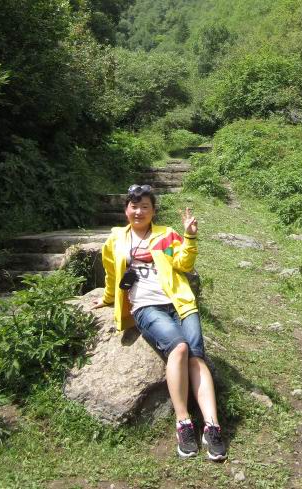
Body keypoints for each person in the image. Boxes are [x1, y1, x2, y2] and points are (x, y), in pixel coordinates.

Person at [91, 184, 227, 461]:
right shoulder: (116, 240)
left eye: (145, 207)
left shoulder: (165, 235)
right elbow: (111, 275)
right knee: (179, 348)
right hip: (146, 306)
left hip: (180, 303)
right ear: (126, 209)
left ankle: (212, 427)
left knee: (196, 357)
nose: (139, 211)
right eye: (134, 206)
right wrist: (107, 299)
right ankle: (183, 423)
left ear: (153, 211)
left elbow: (183, 264)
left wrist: (189, 237)